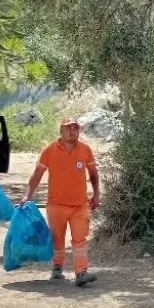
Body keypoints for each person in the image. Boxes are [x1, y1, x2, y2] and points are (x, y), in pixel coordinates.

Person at [20, 118, 100, 287]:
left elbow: (93, 173)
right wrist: (28, 195)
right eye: (69, 128)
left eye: (76, 128)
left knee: (80, 240)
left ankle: (81, 273)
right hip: (56, 205)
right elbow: (37, 174)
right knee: (58, 239)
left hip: (80, 205)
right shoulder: (49, 150)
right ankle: (57, 267)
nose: (73, 132)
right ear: (61, 131)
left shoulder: (85, 150)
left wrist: (96, 194)